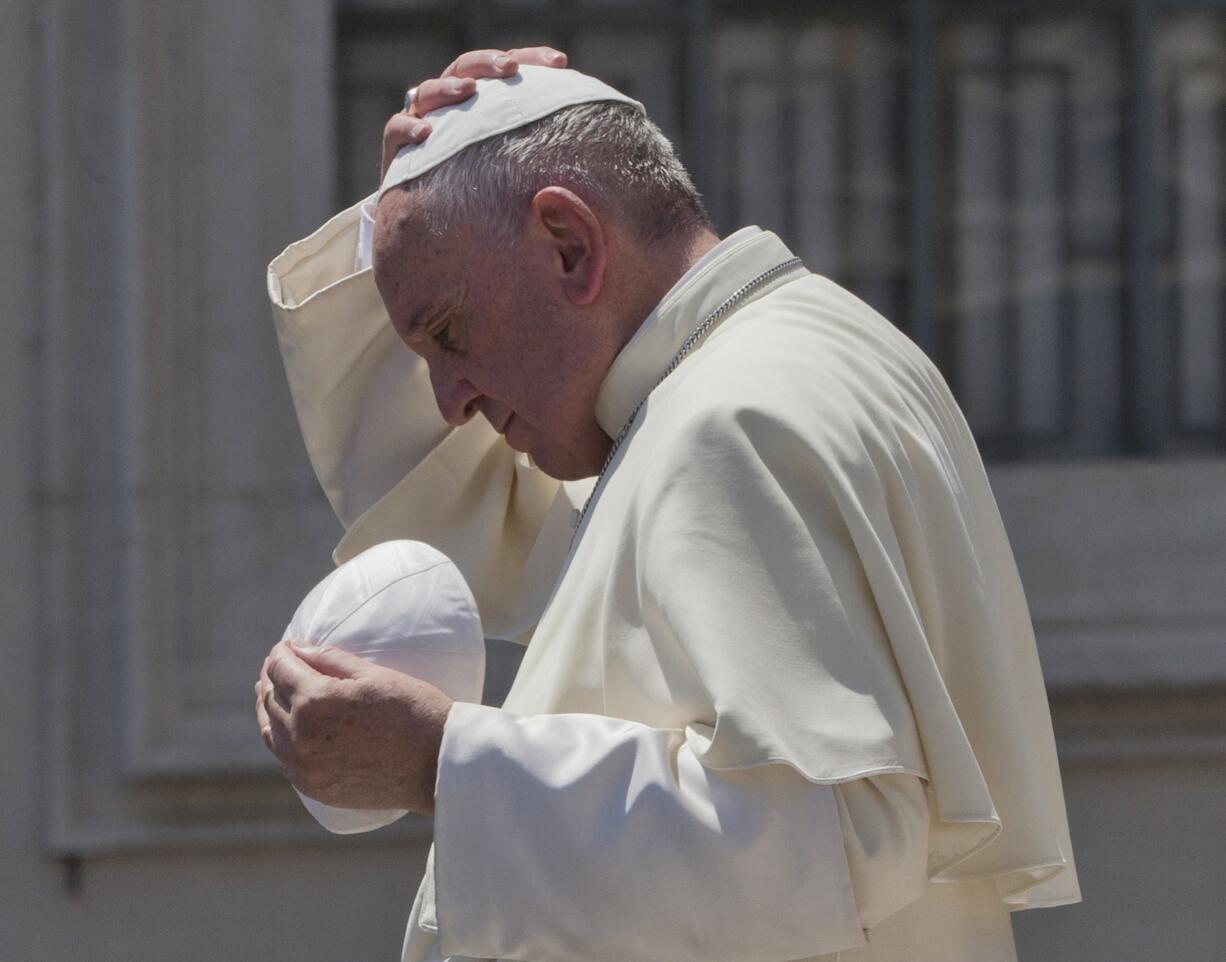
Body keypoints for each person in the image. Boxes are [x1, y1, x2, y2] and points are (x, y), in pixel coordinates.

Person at [258, 48, 1080, 962]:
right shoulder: (793, 351)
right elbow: (454, 499)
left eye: (449, 333)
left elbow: (829, 836)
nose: (451, 399)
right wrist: (410, 199)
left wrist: (442, 765)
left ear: (570, 246)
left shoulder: (730, 419)